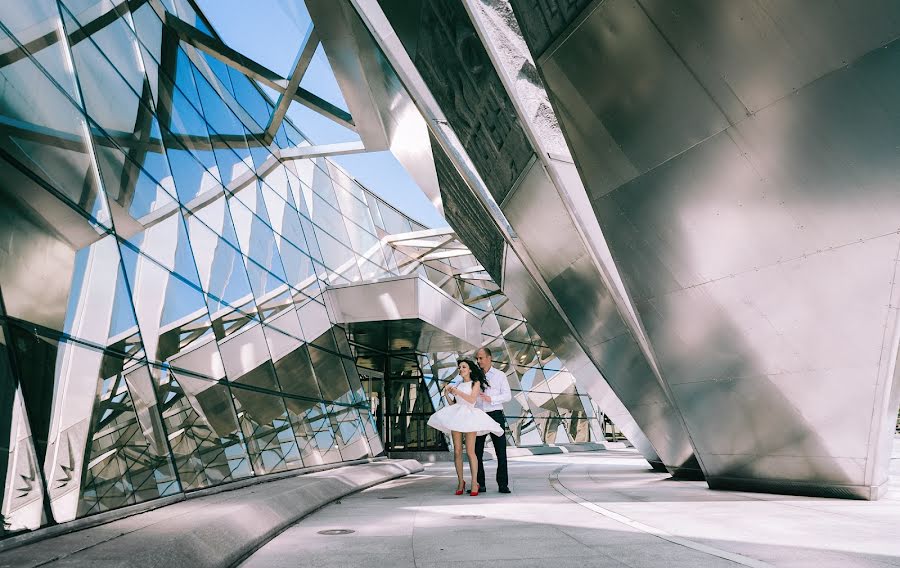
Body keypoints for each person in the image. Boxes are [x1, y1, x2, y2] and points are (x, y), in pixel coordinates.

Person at [427, 359, 503, 496]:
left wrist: (456, 391)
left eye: (464, 367)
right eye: (459, 367)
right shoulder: (458, 384)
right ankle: (460, 481)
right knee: (457, 451)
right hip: (457, 415)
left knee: (470, 451)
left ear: (470, 369)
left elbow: (472, 400)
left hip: (469, 417)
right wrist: (447, 395)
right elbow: (454, 404)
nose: (461, 369)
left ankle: (475, 482)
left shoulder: (475, 383)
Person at [474, 347, 511, 493]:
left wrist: (492, 399)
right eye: (477, 358)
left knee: (501, 451)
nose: (479, 361)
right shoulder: (475, 376)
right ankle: (480, 484)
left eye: (481, 358)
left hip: (496, 415)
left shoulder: (500, 375)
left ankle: (503, 484)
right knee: (477, 452)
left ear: (489, 358)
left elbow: (507, 396)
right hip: (479, 416)